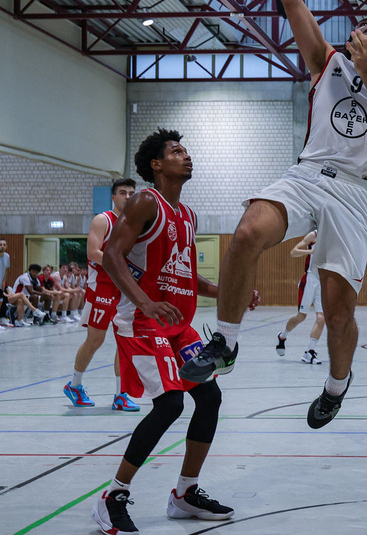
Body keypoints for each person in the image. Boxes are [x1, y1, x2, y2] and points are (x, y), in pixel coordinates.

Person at [179, 0, 367, 431]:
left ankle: (337, 385)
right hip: (309, 172)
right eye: (365, 22)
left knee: (337, 311)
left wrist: (365, 70)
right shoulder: (326, 60)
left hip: (358, 191)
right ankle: (226, 341)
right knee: (245, 233)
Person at [91, 129, 255, 532]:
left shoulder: (188, 215)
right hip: (142, 321)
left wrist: (227, 292)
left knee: (210, 397)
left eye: (186, 150)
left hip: (178, 327)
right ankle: (113, 497)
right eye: (177, 151)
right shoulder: (147, 201)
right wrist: (145, 302)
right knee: (169, 405)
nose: (187, 156)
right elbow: (111, 255)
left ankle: (184, 492)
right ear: (156, 165)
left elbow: (186, 273)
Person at [64, 178, 141, 411]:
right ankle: (74, 384)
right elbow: (92, 252)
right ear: (113, 197)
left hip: (124, 287)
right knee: (95, 340)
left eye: (131, 193)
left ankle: (121, 394)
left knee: (124, 342)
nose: (127, 196)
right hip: (103, 286)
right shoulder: (103, 219)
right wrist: (121, 266)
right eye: (123, 192)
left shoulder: (136, 224)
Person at [275, 230, 326, 364]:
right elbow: (293, 252)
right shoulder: (313, 236)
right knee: (301, 316)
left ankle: (310, 352)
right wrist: (310, 252)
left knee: (321, 318)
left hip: (323, 280)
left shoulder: (333, 237)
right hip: (310, 279)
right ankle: (282, 336)